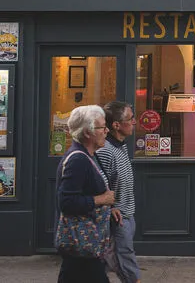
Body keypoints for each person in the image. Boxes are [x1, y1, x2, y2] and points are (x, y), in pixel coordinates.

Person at [56, 105, 116, 283]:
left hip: (86, 244)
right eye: (102, 127)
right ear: (88, 132)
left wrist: (109, 207)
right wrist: (101, 199)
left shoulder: (88, 155)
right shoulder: (78, 159)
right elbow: (66, 201)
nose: (107, 130)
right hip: (82, 242)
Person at [97, 101, 140, 283]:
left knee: (113, 260)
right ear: (116, 125)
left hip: (127, 214)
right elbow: (99, 183)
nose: (135, 122)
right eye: (130, 119)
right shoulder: (106, 151)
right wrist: (111, 207)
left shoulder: (120, 146)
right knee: (125, 261)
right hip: (117, 217)